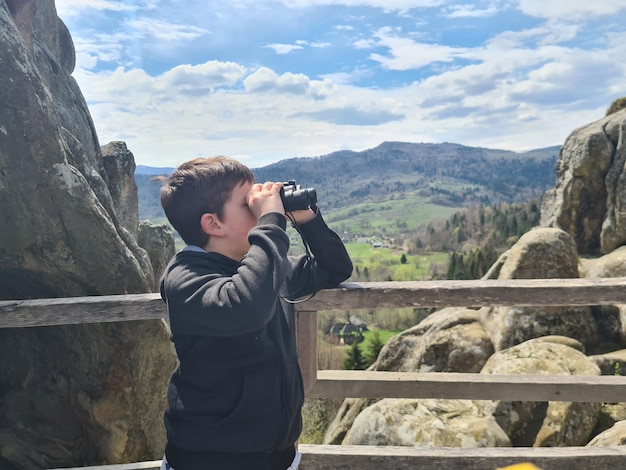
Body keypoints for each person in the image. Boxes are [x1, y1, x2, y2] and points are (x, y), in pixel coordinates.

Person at [155, 156, 353, 470]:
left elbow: (335, 268)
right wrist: (272, 222)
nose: (260, 207)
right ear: (214, 224)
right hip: (210, 460)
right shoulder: (186, 279)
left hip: (279, 456)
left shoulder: (266, 267)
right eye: (248, 204)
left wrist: (307, 220)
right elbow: (246, 306)